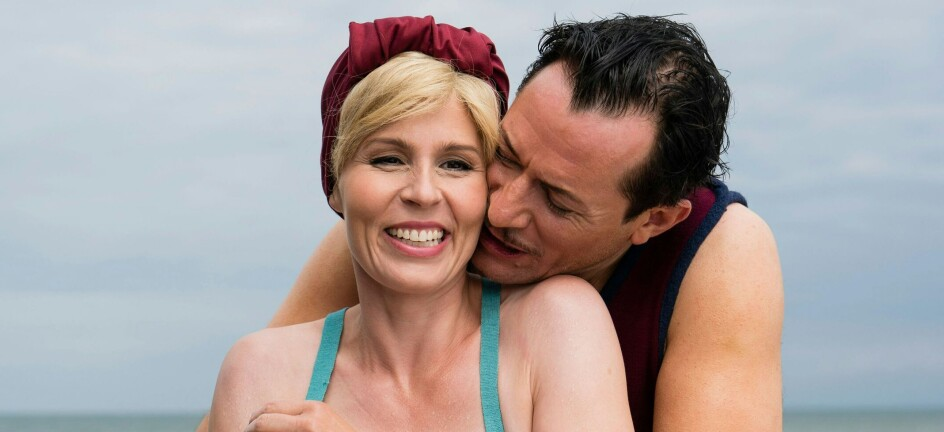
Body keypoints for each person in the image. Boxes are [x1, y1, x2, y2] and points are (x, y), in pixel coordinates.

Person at [266, 14, 784, 432]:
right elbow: (270, 388)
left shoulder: (720, 255)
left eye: (556, 200)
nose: (500, 210)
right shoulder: (418, 227)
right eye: (506, 155)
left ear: (655, 220)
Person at [207, 17, 633, 432]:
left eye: (456, 164)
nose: (424, 193)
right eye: (388, 159)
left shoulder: (557, 324)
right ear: (335, 185)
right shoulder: (258, 372)